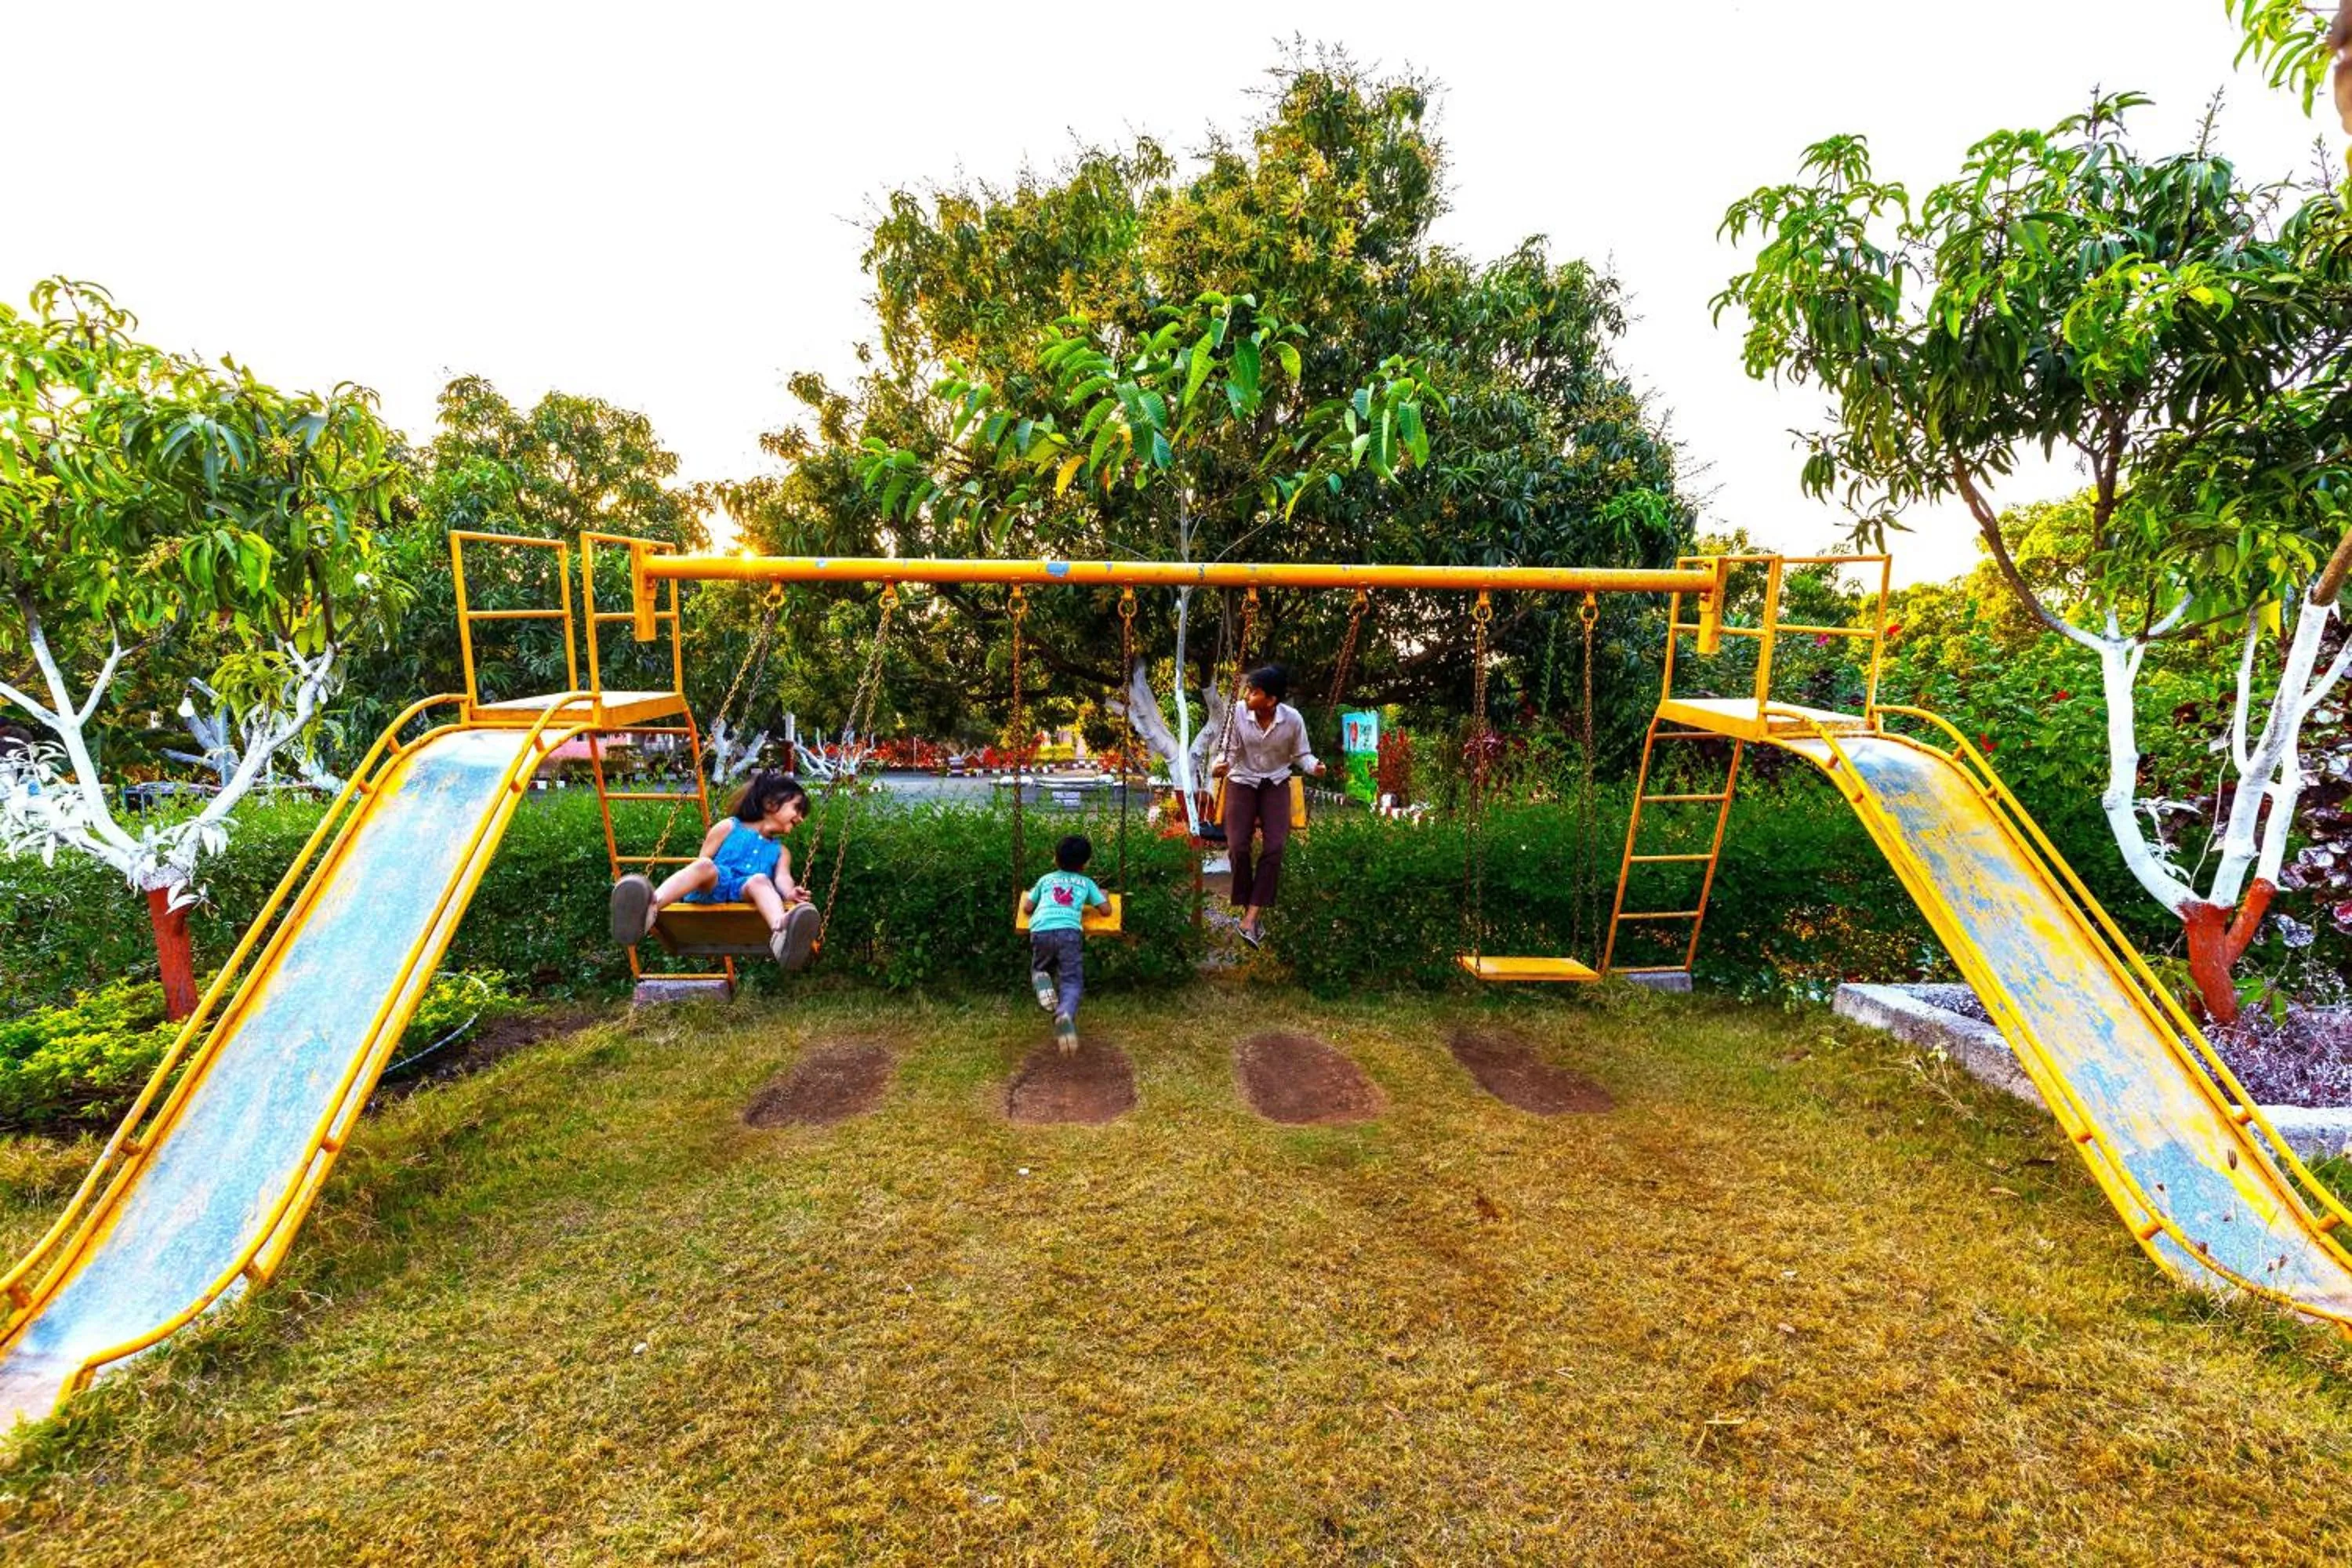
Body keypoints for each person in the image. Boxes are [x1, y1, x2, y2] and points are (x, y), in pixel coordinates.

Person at [608, 770, 821, 971]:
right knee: (705, 865)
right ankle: (648, 909)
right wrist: (703, 874)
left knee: (760, 880)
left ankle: (781, 934)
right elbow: (700, 866)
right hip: (712, 887)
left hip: (744, 892)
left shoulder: (781, 851)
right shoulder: (729, 827)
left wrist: (790, 893)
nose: (801, 818)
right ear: (770, 804)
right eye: (797, 809)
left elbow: (783, 878)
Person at [1210, 664, 1323, 948]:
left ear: (1271, 700)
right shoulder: (1237, 712)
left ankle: (1251, 917)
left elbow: (1302, 754)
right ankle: (1249, 908)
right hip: (1242, 780)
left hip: (1275, 782)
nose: (1248, 694)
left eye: (1254, 691)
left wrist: (1315, 767)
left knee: (1275, 846)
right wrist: (1219, 766)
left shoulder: (1293, 720)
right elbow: (1229, 751)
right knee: (1238, 846)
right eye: (1248, 689)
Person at [1022, 833, 1108, 1054]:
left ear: (1055, 859)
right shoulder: (1086, 882)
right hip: (1069, 933)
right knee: (1072, 981)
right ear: (1085, 864)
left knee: (1040, 966)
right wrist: (1102, 897)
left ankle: (1041, 976)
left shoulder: (1045, 880)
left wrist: (1037, 899)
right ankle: (1065, 1013)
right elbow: (1105, 911)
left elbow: (1027, 909)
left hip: (1040, 930)